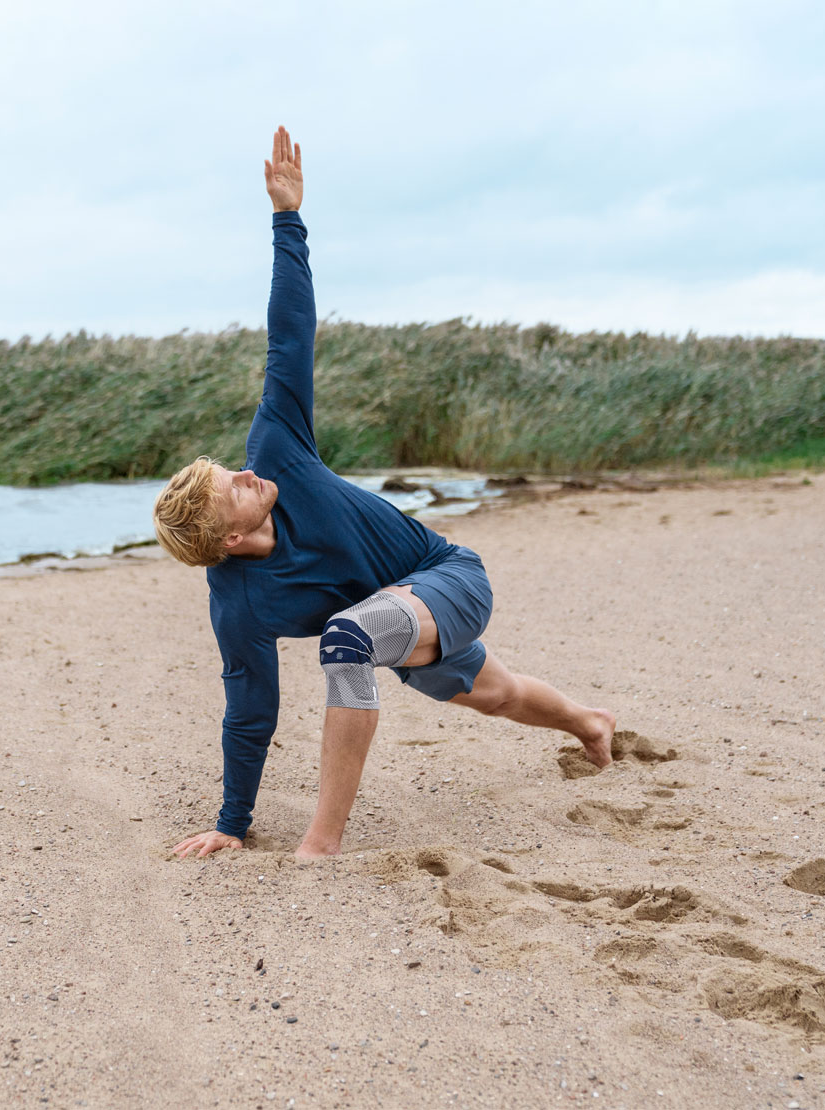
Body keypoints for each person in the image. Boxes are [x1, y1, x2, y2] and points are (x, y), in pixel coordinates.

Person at [155, 127, 616, 860]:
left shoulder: (277, 449)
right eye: (231, 491)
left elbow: (289, 337)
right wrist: (231, 824)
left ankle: (323, 842)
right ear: (231, 542)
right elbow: (249, 713)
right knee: (498, 694)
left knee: (346, 641)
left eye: (230, 470)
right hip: (396, 621)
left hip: (447, 576)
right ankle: (592, 723)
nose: (245, 474)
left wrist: (287, 219)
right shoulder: (238, 605)